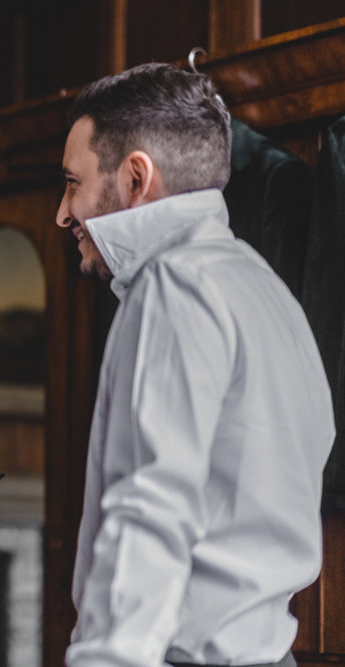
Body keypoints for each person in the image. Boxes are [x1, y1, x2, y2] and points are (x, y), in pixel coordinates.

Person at [56, 63, 335, 667]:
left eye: (72, 183)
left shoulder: (175, 283)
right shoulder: (266, 290)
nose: (63, 212)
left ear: (135, 178)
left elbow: (152, 502)